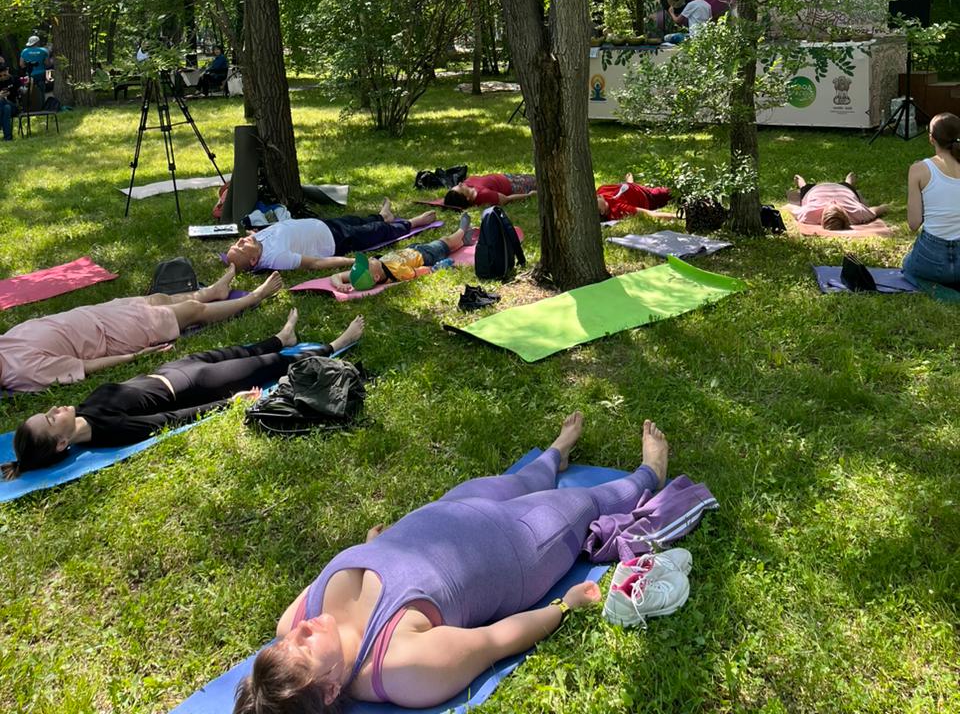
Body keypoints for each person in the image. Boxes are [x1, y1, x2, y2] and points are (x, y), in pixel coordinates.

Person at [232, 412, 670, 713]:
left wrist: (370, 549)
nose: (302, 630)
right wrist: (564, 607)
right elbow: (496, 640)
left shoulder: (293, 622)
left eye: (285, 644)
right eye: (305, 647)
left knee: (521, 479)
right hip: (518, 546)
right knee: (587, 501)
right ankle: (650, 474)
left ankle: (556, 452)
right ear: (329, 690)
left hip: (448, 512)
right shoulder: (401, 668)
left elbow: (363, 570)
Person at [1, 309, 365, 479]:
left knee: (238, 351)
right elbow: (170, 419)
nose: (53, 408)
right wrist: (228, 403)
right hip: (196, 385)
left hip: (171, 372)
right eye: (50, 418)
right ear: (63, 443)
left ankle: (283, 338)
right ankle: (336, 344)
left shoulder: (82, 411)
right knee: (269, 365)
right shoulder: (109, 430)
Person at [0, 265, 285, 393]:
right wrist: (134, 358)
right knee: (191, 313)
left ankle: (213, 291)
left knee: (157, 299)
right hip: (110, 335)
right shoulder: (23, 371)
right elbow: (84, 366)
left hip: (91, 315)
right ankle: (254, 297)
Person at [226, 202, 438, 274]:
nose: (241, 241)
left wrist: (249, 241)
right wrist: (353, 261)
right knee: (376, 232)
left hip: (325, 225)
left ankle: (384, 216)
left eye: (238, 242)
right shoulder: (276, 257)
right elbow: (317, 263)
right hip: (335, 242)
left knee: (357, 219)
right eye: (241, 247)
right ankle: (413, 222)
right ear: (254, 261)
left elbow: (248, 240)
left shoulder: (256, 240)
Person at [328, 219, 474, 291]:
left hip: (412, 249)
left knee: (448, 245)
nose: (369, 258)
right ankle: (461, 230)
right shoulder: (396, 271)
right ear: (376, 277)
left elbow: (335, 276)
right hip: (425, 255)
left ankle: (463, 242)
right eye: (369, 262)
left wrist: (340, 285)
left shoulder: (364, 272)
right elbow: (418, 272)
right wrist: (434, 269)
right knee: (445, 242)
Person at [903, 112, 960, 286]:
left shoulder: (919, 170)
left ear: (931, 139)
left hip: (930, 259)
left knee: (907, 266)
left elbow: (913, 223)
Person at [792, 172, 889, 230]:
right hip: (844, 190)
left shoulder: (809, 214)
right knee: (848, 186)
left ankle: (801, 183)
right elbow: (879, 209)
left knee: (804, 188)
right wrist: (887, 207)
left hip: (816, 190)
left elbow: (789, 207)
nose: (832, 201)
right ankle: (849, 181)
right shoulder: (858, 212)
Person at [441, 172, 537, 211]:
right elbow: (506, 199)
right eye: (460, 187)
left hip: (507, 176)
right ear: (467, 198)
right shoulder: (483, 196)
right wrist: (529, 195)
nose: (460, 183)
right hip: (514, 185)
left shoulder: (466, 187)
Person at [596, 174, 671, 219]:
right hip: (649, 197)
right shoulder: (618, 209)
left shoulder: (601, 190)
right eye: (596, 199)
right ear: (602, 211)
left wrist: (629, 183)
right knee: (671, 192)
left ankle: (631, 183)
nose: (596, 195)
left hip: (635, 187)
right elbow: (650, 214)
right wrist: (678, 216)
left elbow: (620, 189)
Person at [0, 54, 19, 141]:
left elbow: (23, 88)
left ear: (7, 71)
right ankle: (8, 138)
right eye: (0, 76)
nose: (3, 77)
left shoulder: (14, 79)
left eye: (4, 75)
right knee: (6, 108)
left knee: (4, 102)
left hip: (14, 106)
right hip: (4, 107)